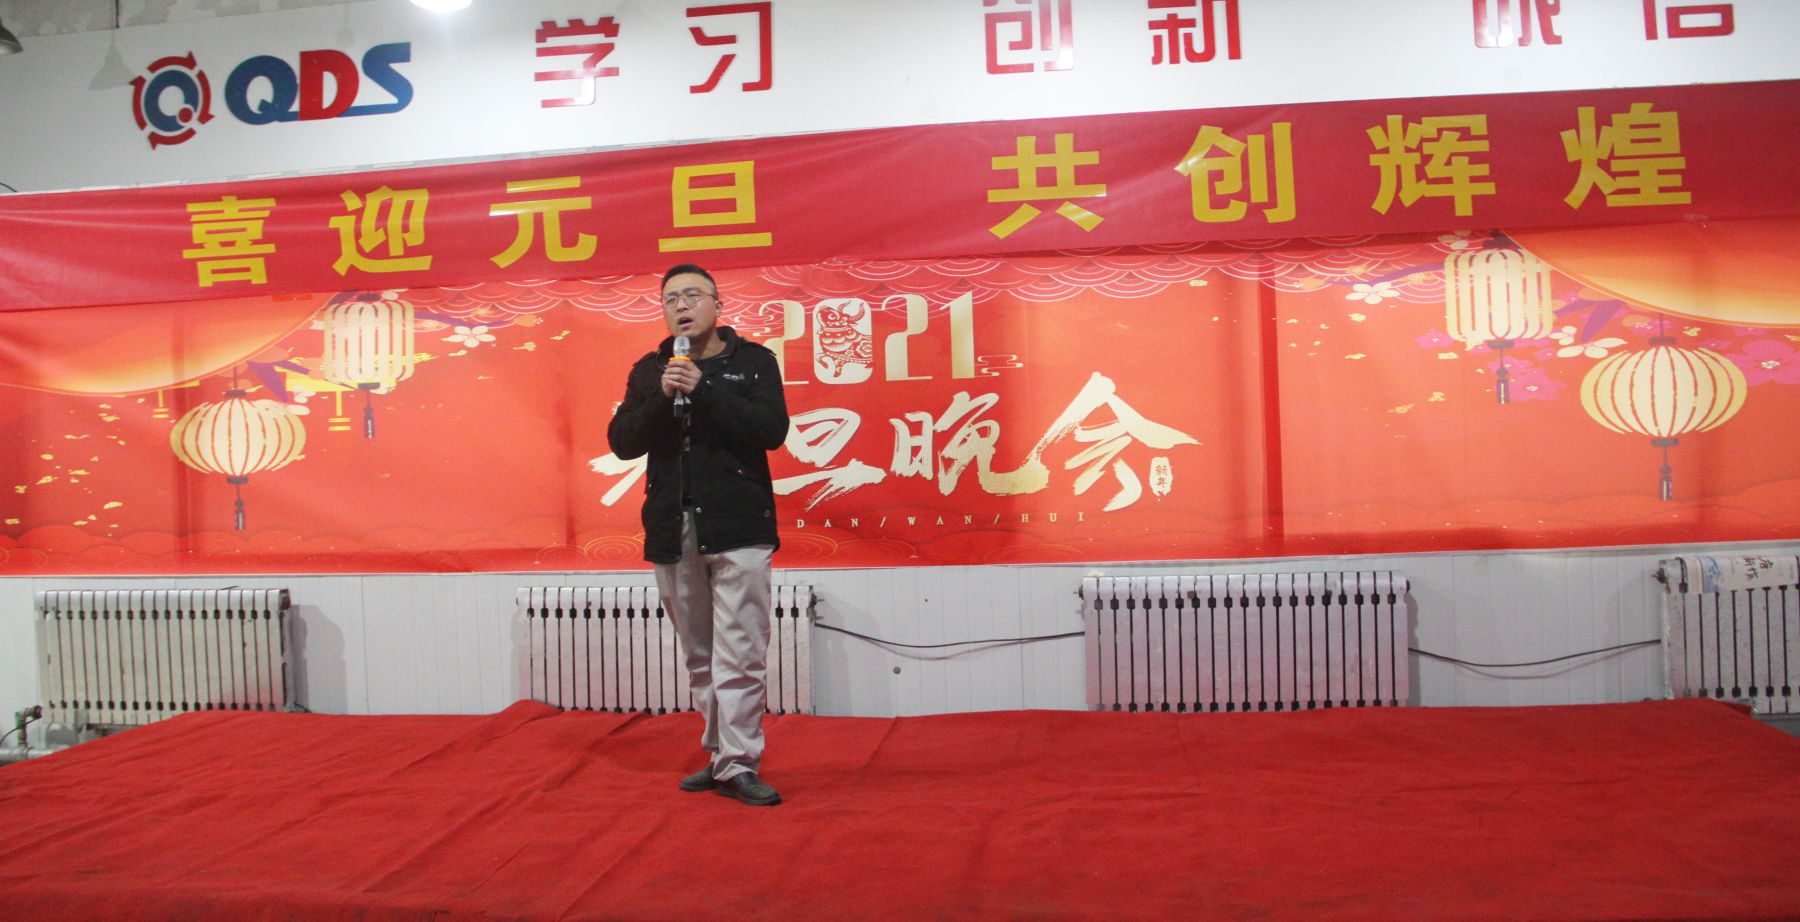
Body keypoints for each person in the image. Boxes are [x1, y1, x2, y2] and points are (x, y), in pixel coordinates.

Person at [606, 263, 791, 807]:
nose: (681, 306)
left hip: (739, 524)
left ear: (717, 303)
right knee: (700, 654)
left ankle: (739, 763)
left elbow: (772, 430)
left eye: (691, 295)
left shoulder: (753, 362)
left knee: (742, 652)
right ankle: (720, 755)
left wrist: (704, 389)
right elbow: (622, 442)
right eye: (670, 299)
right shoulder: (650, 370)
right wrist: (662, 397)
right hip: (673, 526)